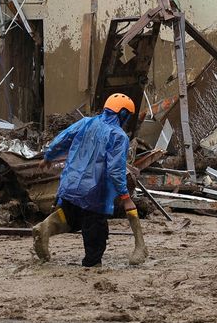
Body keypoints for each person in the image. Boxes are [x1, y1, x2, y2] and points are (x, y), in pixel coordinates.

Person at [31, 93, 146, 267]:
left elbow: (64, 137)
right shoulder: (118, 136)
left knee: (71, 217)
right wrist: (126, 197)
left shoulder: (86, 122)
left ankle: (45, 227)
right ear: (123, 114)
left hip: (70, 184)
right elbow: (115, 170)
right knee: (96, 235)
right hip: (94, 192)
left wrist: (48, 156)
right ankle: (90, 269)